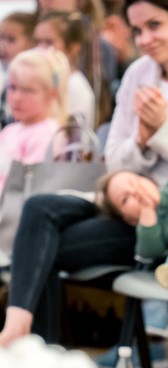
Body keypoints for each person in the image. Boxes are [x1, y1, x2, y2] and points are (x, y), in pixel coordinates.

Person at [0, 0, 168, 354]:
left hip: (166, 218)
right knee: (39, 208)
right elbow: (113, 158)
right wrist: (142, 143)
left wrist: (164, 129)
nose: (144, 39)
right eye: (137, 30)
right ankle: (20, 330)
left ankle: (35, 350)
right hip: (119, 202)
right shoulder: (138, 73)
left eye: (154, 26)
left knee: (40, 247)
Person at [0, 48, 69, 259]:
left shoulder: (49, 133)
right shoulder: (11, 130)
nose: (16, 97)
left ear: (52, 94)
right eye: (12, 88)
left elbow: (27, 186)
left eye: (28, 90)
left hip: (13, 221)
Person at [34, 10, 97, 128]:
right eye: (37, 42)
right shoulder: (39, 81)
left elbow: (73, 137)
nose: (41, 49)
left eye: (49, 42)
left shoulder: (76, 87)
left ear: (73, 48)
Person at [0, 12, 36, 128]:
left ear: (31, 43)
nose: (2, 45)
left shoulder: (33, 79)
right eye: (1, 38)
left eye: (11, 40)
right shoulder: (6, 74)